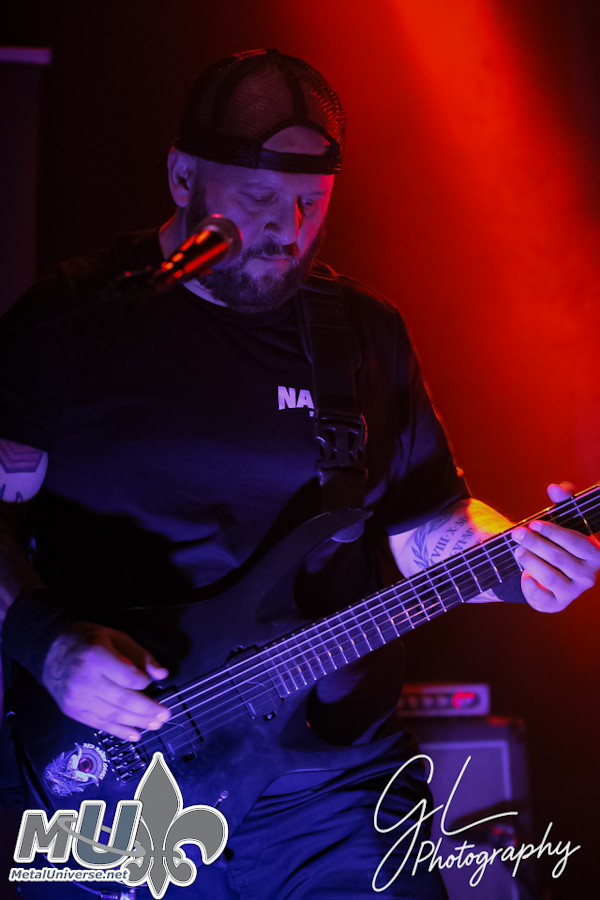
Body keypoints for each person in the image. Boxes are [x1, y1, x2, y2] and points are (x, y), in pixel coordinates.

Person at [0, 49, 598, 899]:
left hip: (333, 786)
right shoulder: (75, 319)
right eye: (256, 196)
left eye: (311, 201)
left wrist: (524, 561)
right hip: (109, 772)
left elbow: (427, 522)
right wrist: (46, 640)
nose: (288, 227)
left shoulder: (359, 333)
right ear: (181, 176)